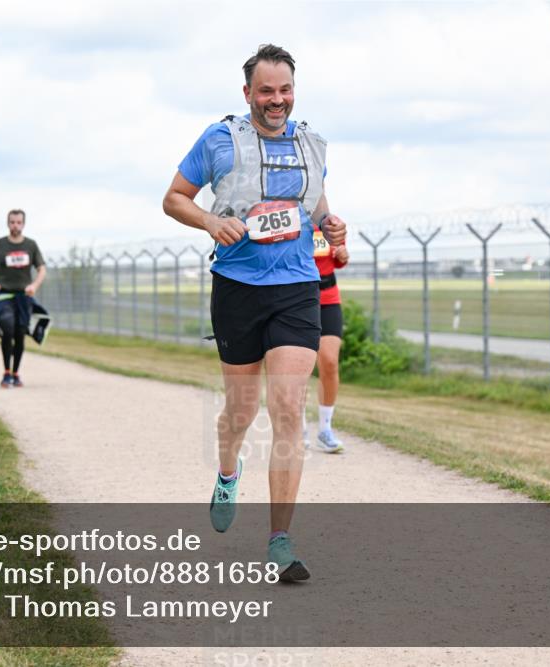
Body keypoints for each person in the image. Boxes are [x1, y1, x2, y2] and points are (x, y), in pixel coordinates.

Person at [162, 44, 347, 582]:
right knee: (240, 412)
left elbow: (318, 209)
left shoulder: (311, 144)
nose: (277, 100)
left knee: (288, 406)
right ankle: (227, 472)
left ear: (295, 90)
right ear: (248, 94)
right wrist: (209, 223)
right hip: (238, 287)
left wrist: (333, 228)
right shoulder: (220, 140)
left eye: (285, 90)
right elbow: (175, 198)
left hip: (295, 288)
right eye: (266, 91)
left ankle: (280, 541)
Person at [0, 209, 47, 387]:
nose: (15, 225)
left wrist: (34, 286)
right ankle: (6, 373)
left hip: (23, 297)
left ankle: (16, 373)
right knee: (7, 328)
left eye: (18, 222)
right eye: (12, 222)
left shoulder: (31, 245)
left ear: (23, 224)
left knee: (19, 334)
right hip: (3, 295)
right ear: (7, 223)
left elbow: (42, 269)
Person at [309, 223, 349, 452]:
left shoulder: (331, 223)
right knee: (297, 366)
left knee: (330, 361)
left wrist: (342, 255)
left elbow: (337, 259)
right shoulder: (290, 217)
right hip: (298, 299)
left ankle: (325, 429)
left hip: (329, 298)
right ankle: (298, 427)